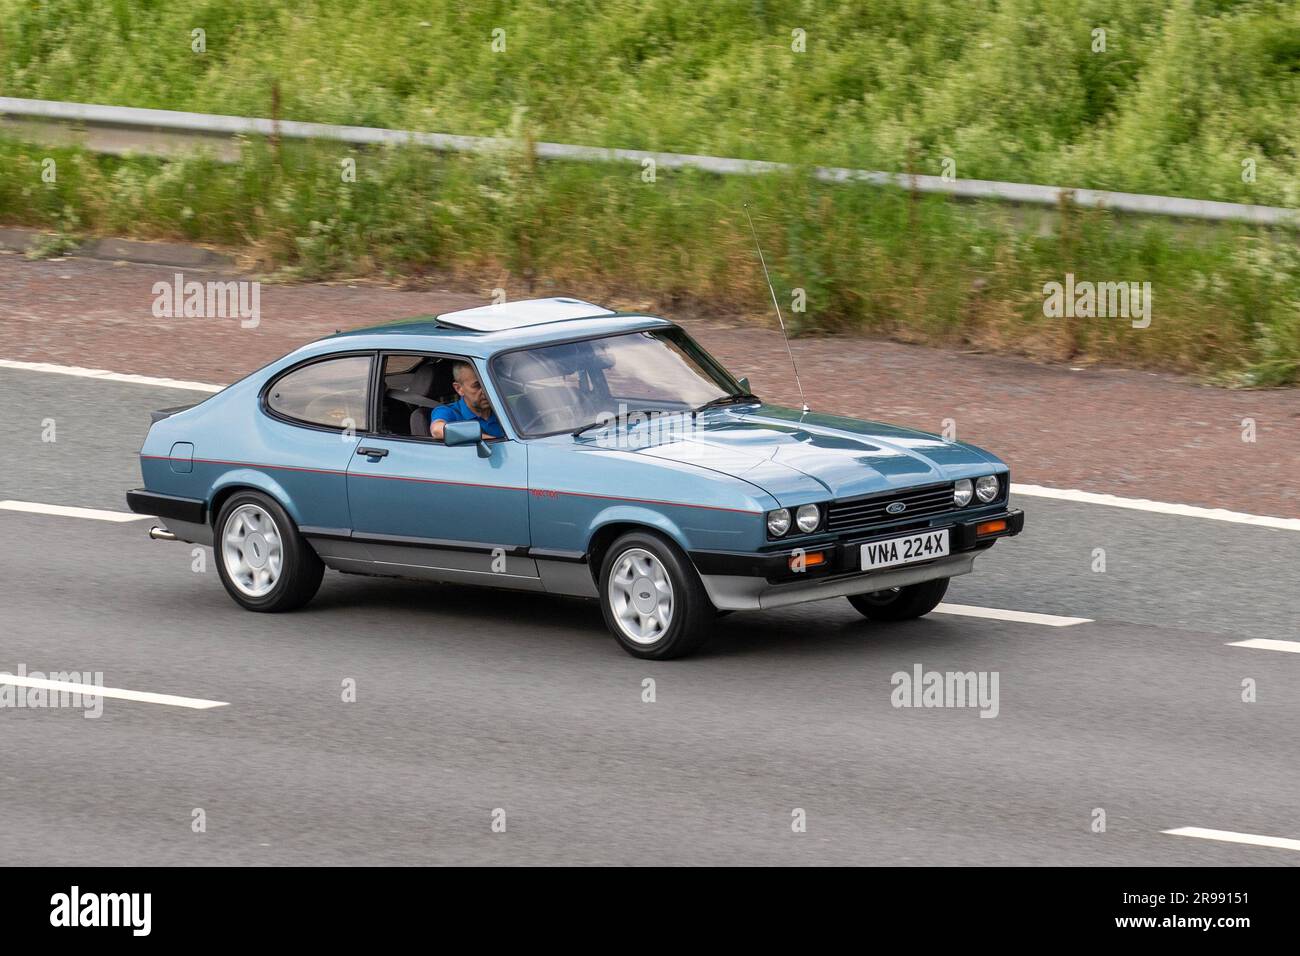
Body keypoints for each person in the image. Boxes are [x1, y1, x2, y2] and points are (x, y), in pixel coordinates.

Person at [430, 361, 506, 440]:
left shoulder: (504, 410)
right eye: (477, 386)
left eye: (488, 384)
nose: (485, 391)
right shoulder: (449, 411)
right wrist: (488, 440)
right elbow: (437, 430)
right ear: (459, 388)